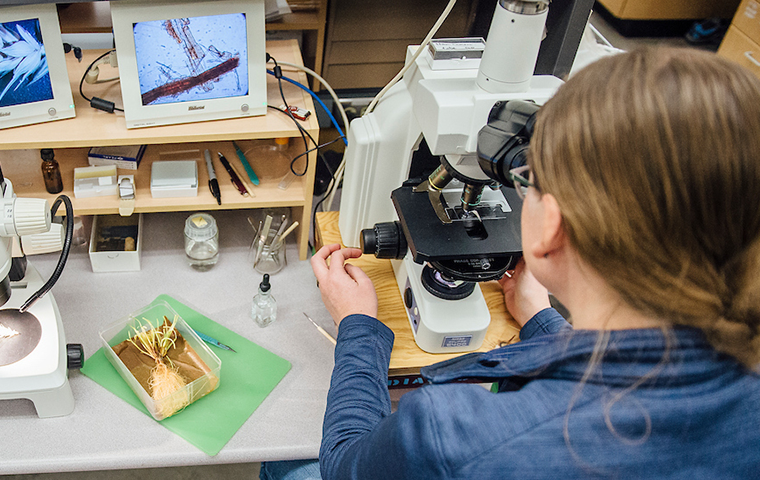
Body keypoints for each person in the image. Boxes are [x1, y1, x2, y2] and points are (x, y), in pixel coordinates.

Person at [287, 47, 760, 479]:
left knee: (287, 461)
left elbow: (343, 463)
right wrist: (541, 318)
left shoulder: (451, 433)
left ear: (551, 227)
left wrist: (357, 325)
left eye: (526, 184)